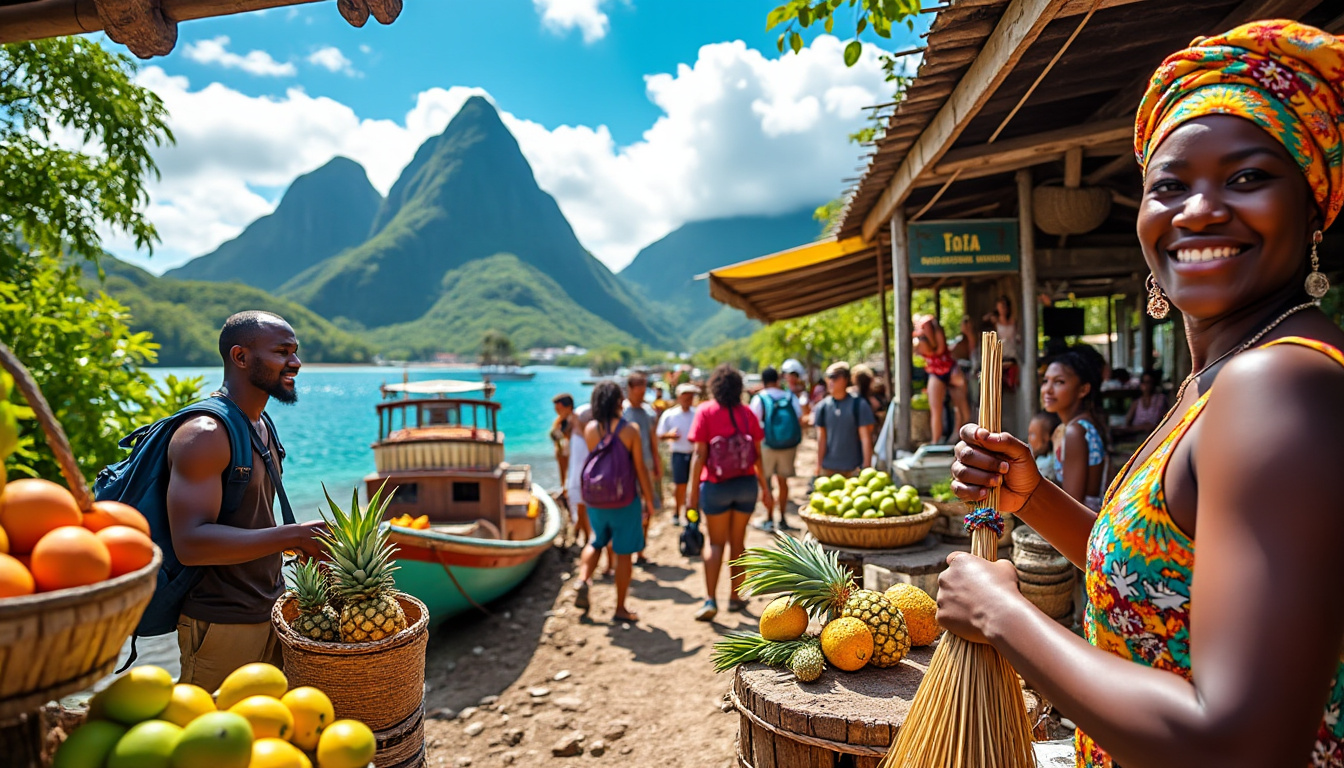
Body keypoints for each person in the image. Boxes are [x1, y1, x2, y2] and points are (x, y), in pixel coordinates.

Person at [943, 21, 1344, 767]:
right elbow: (1160, 576)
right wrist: (1032, 497)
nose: (1198, 210)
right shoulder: (1219, 377)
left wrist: (1002, 614)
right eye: (1169, 185)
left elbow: (1241, 745)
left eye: (1248, 177)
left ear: (1313, 206)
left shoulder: (1279, 383)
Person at [168, 311, 325, 691]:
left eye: (296, 352)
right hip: (220, 622)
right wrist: (293, 537)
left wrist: (303, 545)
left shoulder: (260, 423)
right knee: (211, 741)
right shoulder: (205, 434)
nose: (296, 363)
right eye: (282, 352)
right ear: (240, 357)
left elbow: (251, 520)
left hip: (269, 609)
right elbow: (190, 544)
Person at [687, 364, 774, 622]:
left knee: (715, 543)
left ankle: (710, 599)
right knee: (738, 543)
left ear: (714, 386)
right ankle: (735, 597)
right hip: (746, 485)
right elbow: (757, 455)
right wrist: (766, 489)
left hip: (716, 487)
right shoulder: (747, 413)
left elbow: (699, 455)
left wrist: (691, 496)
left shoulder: (706, 411)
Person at [573, 381, 655, 623]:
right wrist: (649, 500)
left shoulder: (590, 429)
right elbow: (639, 468)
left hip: (595, 499)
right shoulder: (629, 430)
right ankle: (620, 608)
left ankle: (583, 579)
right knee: (623, 554)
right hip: (624, 500)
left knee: (595, 541)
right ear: (620, 402)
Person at [1041, 348, 1107, 511]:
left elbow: (1072, 506)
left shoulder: (1075, 432)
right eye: (1045, 381)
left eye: (1059, 382)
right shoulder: (1084, 425)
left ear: (1083, 389)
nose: (1047, 390)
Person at [748, 366, 803, 533]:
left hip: (766, 446)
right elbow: (799, 417)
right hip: (787, 446)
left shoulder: (760, 398)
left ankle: (770, 518)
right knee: (783, 482)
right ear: (778, 380)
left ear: (763, 381)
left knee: (767, 483)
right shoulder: (789, 396)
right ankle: (783, 518)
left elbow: (753, 424)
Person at [622, 372, 661, 566]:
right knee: (630, 511)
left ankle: (640, 551)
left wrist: (657, 464)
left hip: (646, 468)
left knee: (647, 509)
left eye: (644, 390)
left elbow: (653, 441)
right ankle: (627, 552)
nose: (641, 394)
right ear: (629, 389)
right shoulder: (622, 412)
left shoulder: (648, 412)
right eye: (638, 391)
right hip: (627, 472)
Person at [913, 314, 972, 444]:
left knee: (961, 409)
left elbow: (938, 351)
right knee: (936, 410)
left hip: (950, 370)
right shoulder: (919, 341)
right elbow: (934, 351)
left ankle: (962, 439)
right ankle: (935, 441)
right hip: (937, 372)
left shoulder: (936, 333)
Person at [814, 362, 876, 477]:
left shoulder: (859, 404)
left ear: (846, 379)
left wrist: (867, 467)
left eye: (835, 376)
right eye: (828, 377)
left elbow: (865, 438)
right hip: (829, 469)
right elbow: (821, 438)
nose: (830, 381)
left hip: (853, 469)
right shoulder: (822, 407)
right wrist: (818, 465)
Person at [657, 383, 699, 526]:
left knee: (695, 485)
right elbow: (660, 435)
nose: (689, 399)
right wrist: (670, 435)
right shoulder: (670, 415)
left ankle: (692, 514)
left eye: (691, 397)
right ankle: (677, 512)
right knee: (680, 485)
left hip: (695, 454)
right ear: (679, 397)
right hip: (678, 454)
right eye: (686, 396)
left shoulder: (697, 413)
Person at [1121, 370, 1168, 438]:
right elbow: (1127, 423)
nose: (1146, 385)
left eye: (1148, 382)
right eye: (1144, 382)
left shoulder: (1160, 399)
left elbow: (1160, 421)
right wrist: (1140, 428)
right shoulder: (1136, 403)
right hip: (1136, 436)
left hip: (1155, 436)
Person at [1027, 411, 1060, 484]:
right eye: (1029, 434)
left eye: (1032, 434)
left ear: (1046, 438)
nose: (1029, 438)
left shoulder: (1048, 464)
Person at [550, 393, 574, 489]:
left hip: (571, 454)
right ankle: (563, 487)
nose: (558, 412)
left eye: (559, 409)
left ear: (568, 407)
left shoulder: (574, 421)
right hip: (562, 453)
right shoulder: (559, 421)